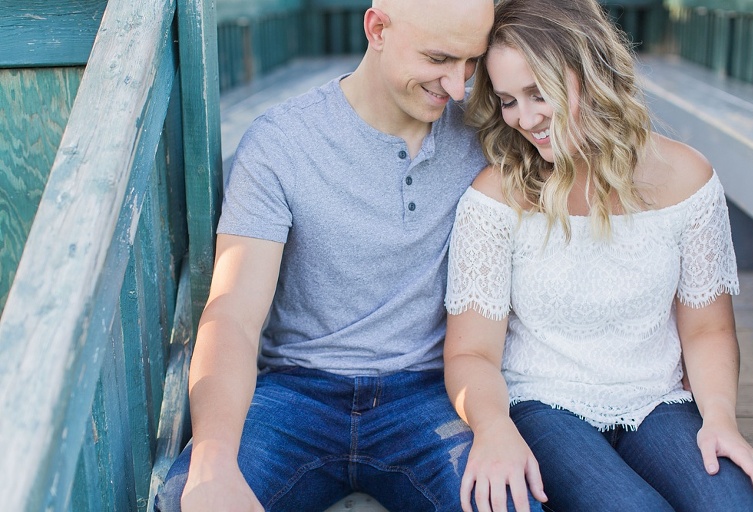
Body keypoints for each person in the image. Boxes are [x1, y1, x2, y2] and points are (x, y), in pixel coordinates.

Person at [154, 1, 544, 511]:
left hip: (432, 392)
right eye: (438, 59)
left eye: (470, 63)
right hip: (295, 393)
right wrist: (211, 455)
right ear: (377, 28)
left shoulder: (488, 135)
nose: (457, 86)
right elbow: (232, 313)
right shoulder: (282, 143)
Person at [442, 0, 753, 510]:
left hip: (658, 401)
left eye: (538, 93)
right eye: (507, 100)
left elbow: (707, 330)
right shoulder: (496, 197)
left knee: (736, 505)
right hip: (542, 406)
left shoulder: (687, 180)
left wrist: (721, 418)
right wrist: (493, 426)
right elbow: (471, 353)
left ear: (591, 74)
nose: (524, 119)